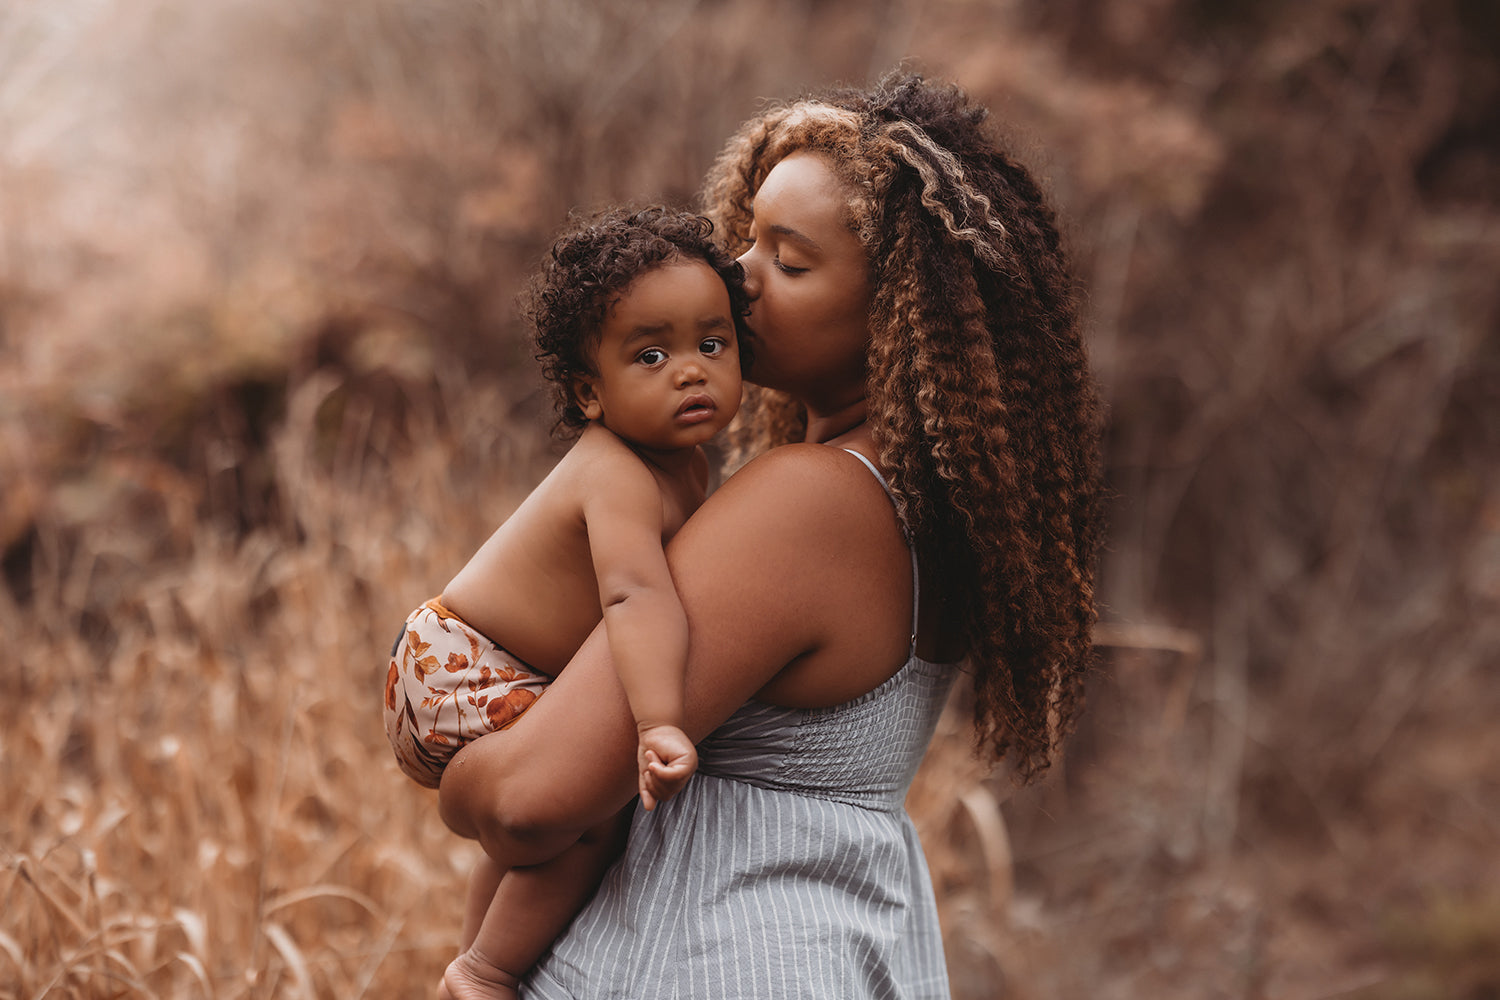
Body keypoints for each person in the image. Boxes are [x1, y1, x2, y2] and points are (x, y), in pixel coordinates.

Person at [435, 72, 1105, 999]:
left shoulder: (808, 504)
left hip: (716, 957)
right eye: (745, 240)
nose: (737, 277)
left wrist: (448, 756)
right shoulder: (916, 507)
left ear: (899, 315)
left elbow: (524, 806)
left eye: (788, 262)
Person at [381, 206, 749, 999]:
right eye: (651, 355)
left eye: (711, 344)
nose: (691, 370)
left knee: (553, 832)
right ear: (592, 392)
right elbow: (633, 594)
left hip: (473, 661)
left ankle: (468, 964)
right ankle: (486, 970)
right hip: (460, 662)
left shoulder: (684, 466)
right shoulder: (614, 469)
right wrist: (656, 723)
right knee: (592, 810)